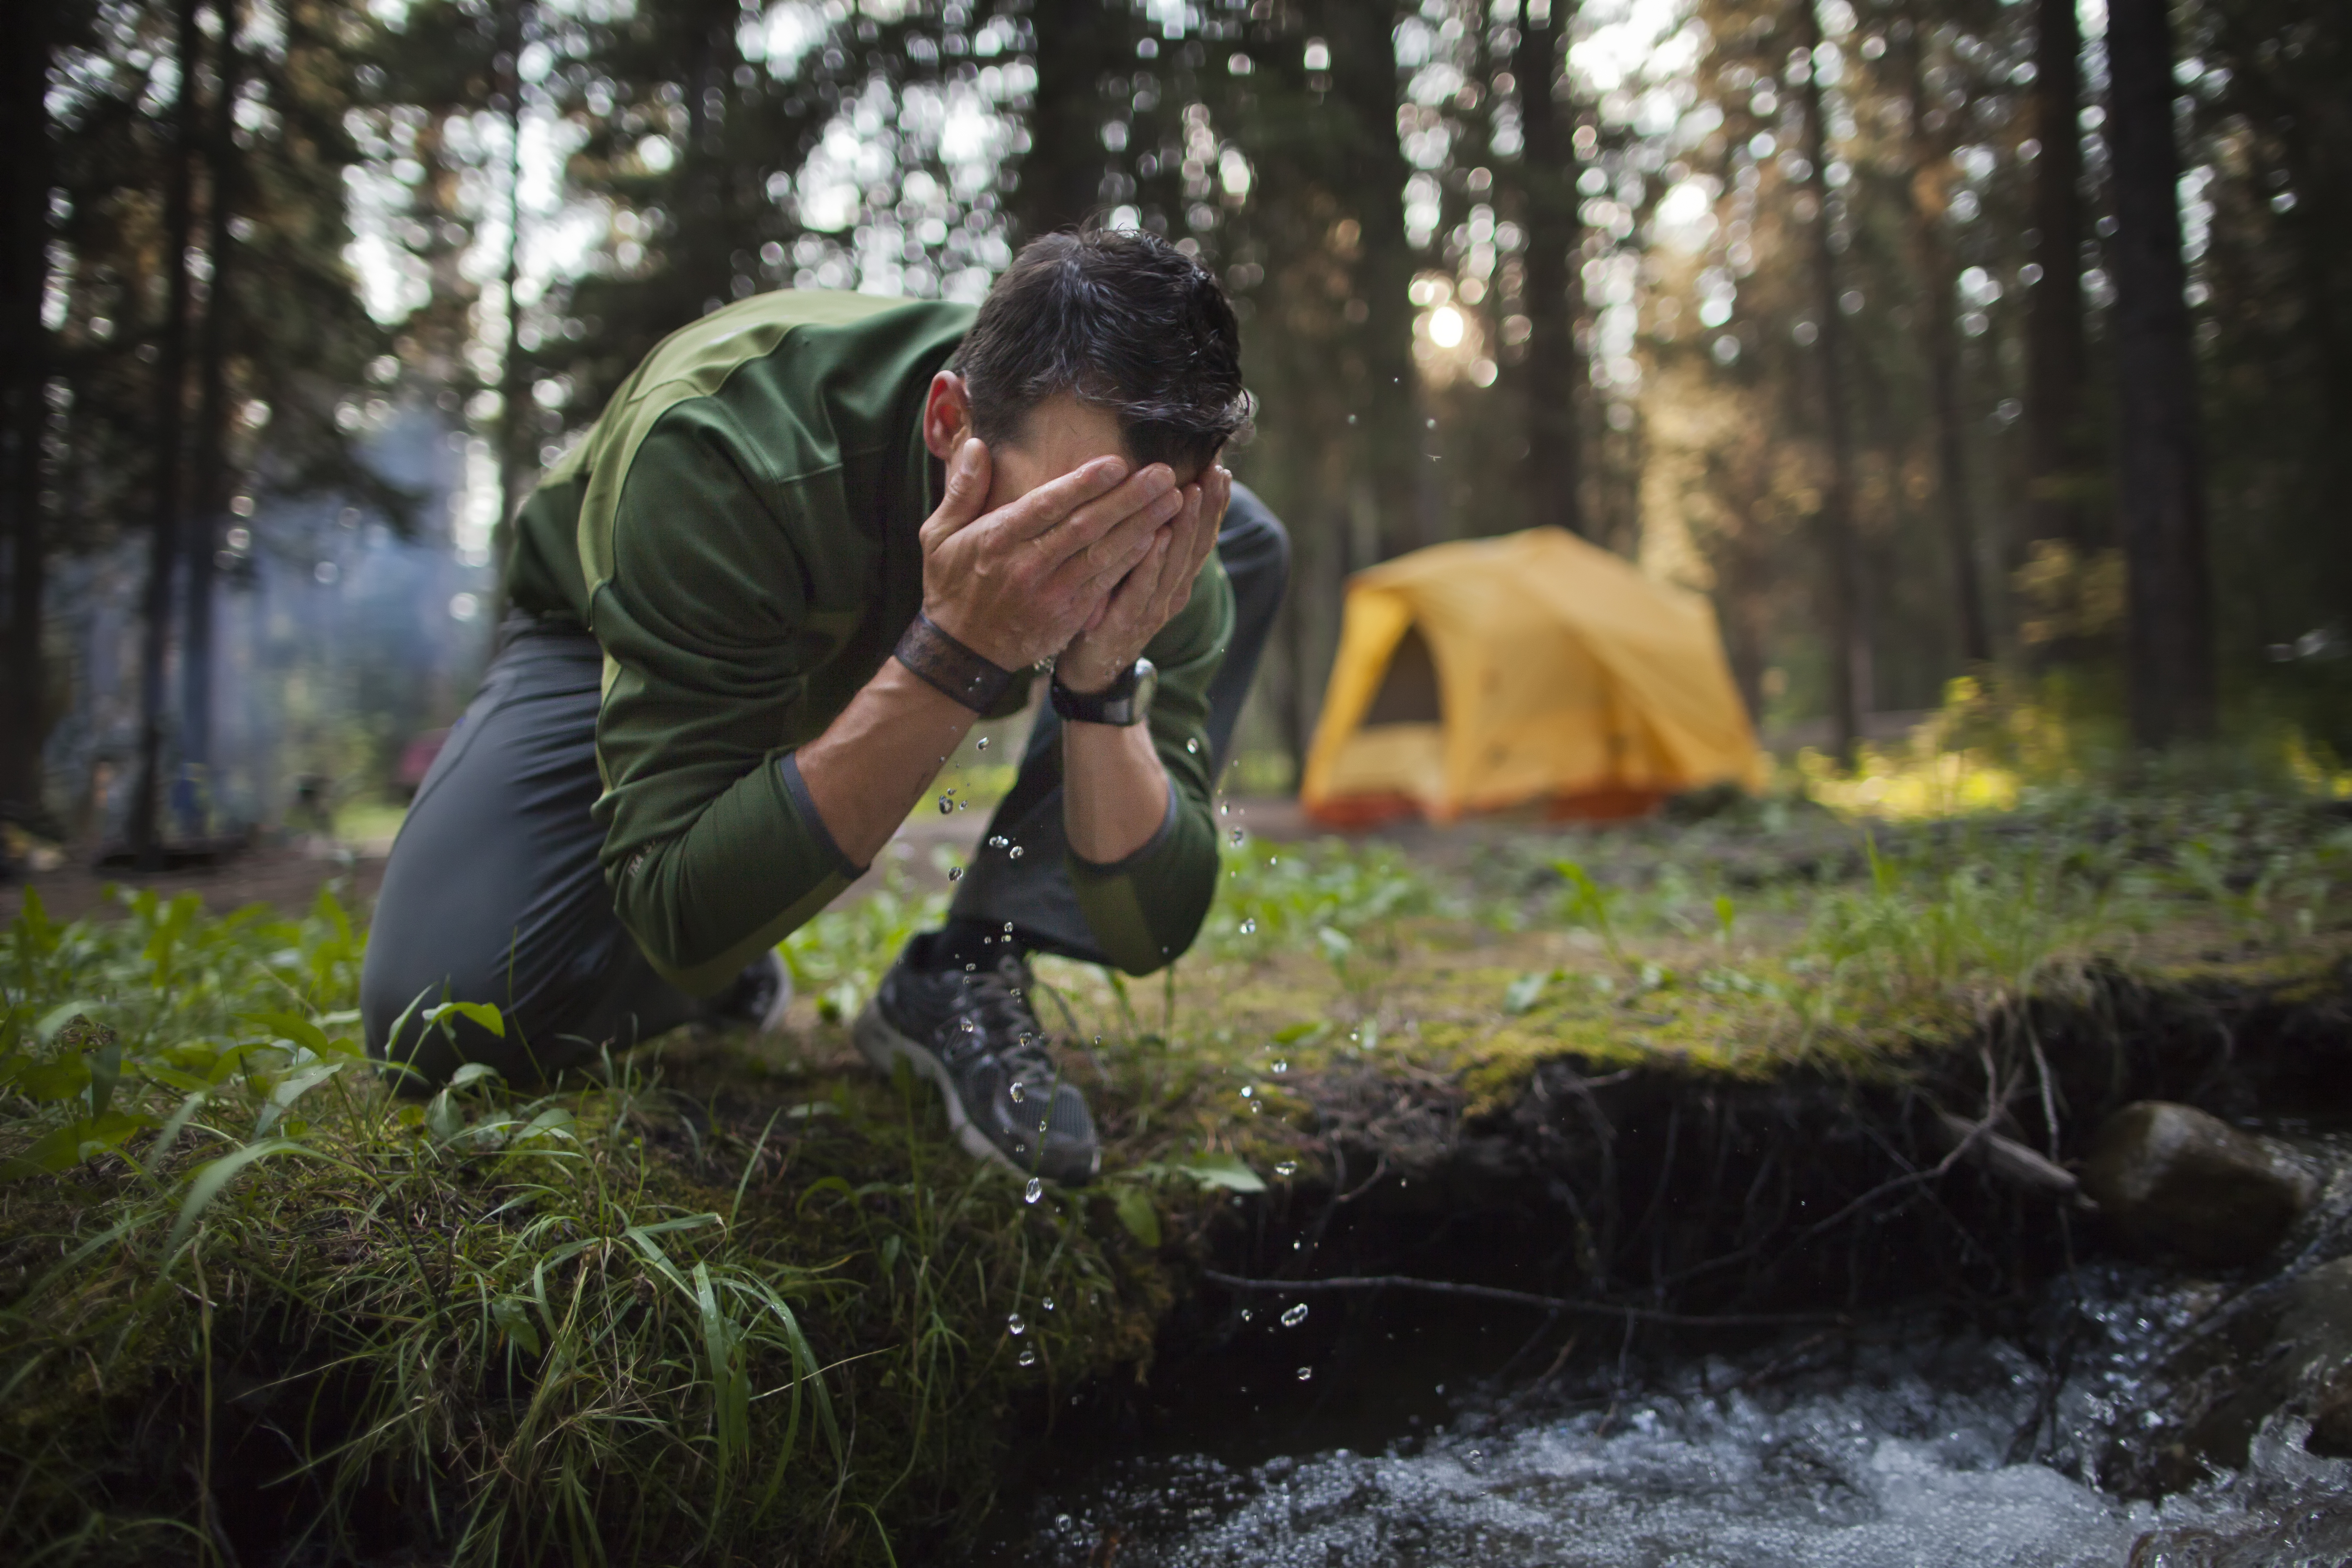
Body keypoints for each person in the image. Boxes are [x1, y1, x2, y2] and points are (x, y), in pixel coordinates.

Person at [360, 229, 1288, 1186]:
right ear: (949, 425)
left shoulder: (1168, 532)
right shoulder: (720, 452)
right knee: (439, 1017)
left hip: (854, 610)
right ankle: (740, 948)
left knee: (1251, 545)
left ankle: (964, 971)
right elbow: (679, 911)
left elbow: (1150, 927)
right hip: (622, 626)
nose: (1099, 576)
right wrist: (955, 656)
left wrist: (1101, 688)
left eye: (1139, 528)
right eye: (1060, 526)